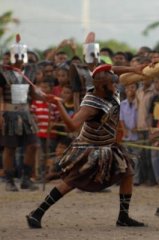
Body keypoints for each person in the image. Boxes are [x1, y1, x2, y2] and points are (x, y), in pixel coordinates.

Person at [26, 64, 146, 228]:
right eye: (112, 83)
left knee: (128, 173)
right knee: (71, 182)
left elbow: (110, 69)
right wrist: (58, 104)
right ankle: (37, 213)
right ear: (103, 86)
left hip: (109, 145)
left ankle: (123, 217)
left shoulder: (107, 87)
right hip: (90, 148)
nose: (116, 85)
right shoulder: (90, 106)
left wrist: (134, 69)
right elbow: (72, 126)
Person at [0, 35, 39, 191]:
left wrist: (45, 97)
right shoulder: (3, 73)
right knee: (10, 148)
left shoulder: (30, 72)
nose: (19, 59)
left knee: (33, 145)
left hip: (26, 114)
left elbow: (34, 95)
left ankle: (26, 178)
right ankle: (9, 180)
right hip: (9, 113)